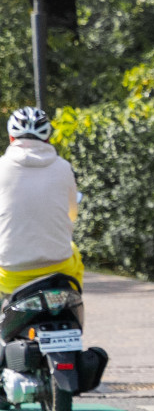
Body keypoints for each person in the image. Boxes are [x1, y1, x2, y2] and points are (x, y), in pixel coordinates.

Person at [0, 107, 82, 296]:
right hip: (58, 267)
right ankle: (71, 306)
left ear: (12, 138)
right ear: (47, 138)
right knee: (74, 252)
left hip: (11, 273)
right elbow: (72, 214)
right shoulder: (63, 167)